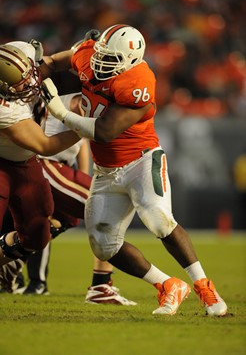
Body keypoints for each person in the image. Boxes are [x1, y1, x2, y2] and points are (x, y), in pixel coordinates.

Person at [39, 24, 227, 316]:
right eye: (101, 55)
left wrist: (62, 113)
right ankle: (167, 285)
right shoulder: (88, 54)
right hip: (106, 170)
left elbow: (104, 131)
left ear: (131, 61)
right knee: (103, 245)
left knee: (159, 219)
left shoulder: (139, 81)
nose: (101, 64)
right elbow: (52, 63)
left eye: (111, 61)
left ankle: (204, 286)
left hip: (141, 160)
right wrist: (30, 74)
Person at [0, 87, 136, 304]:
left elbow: (82, 142)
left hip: (58, 165)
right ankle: (101, 286)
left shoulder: (82, 100)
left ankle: (9, 264)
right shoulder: (79, 101)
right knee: (109, 205)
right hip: (47, 163)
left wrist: (81, 178)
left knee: (57, 223)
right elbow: (86, 128)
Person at [0, 40, 83, 286]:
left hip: (26, 163)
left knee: (37, 234)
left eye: (28, 75)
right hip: (4, 165)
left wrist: (89, 53)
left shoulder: (20, 54)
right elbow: (46, 145)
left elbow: (55, 61)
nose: (31, 82)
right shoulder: (5, 110)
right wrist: (90, 126)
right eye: (21, 83)